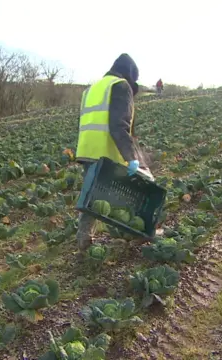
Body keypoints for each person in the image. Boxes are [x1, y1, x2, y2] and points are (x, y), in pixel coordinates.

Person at [74, 53, 153, 251]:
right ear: (129, 76)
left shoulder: (93, 88)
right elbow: (119, 126)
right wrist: (132, 159)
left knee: (92, 196)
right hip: (106, 151)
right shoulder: (120, 86)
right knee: (128, 197)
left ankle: (84, 236)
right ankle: (137, 233)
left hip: (87, 149)